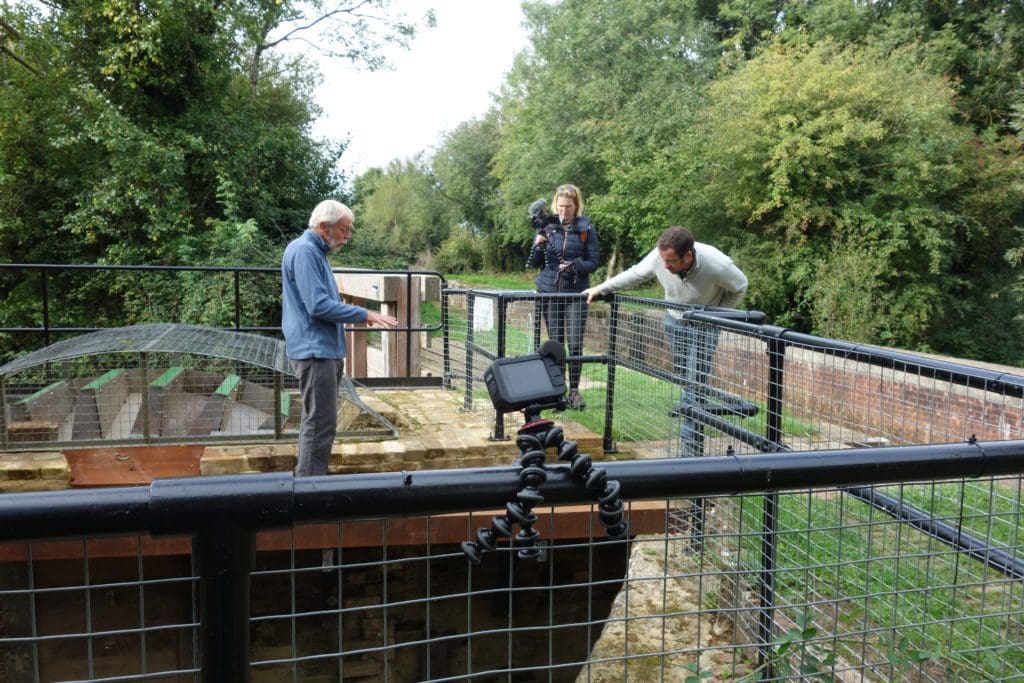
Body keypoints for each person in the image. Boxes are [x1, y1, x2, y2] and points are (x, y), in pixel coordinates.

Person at [582, 226, 747, 455]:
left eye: (670, 261)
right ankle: (690, 411)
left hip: (703, 327)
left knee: (693, 384)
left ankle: (689, 451)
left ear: (688, 256)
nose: (665, 266)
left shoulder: (717, 265)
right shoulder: (660, 257)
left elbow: (740, 286)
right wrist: (601, 288)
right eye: (662, 259)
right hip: (674, 321)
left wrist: (715, 316)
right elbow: (636, 273)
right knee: (686, 380)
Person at [282, 199, 398, 477]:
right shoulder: (305, 252)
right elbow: (318, 305)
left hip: (322, 350)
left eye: (349, 229)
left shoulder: (313, 252)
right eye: (345, 229)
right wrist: (365, 313)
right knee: (320, 423)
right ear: (324, 227)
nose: (348, 236)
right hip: (315, 351)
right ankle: (310, 489)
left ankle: (311, 482)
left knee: (320, 422)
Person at [528, 184, 600, 410]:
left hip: (576, 292)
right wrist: (538, 246)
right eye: (560, 206)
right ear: (555, 205)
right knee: (556, 343)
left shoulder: (586, 227)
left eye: (568, 206)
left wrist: (574, 266)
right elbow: (537, 263)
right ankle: (558, 392)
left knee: (576, 344)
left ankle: (575, 391)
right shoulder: (547, 226)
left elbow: (593, 261)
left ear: (576, 205)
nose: (563, 211)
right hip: (550, 291)